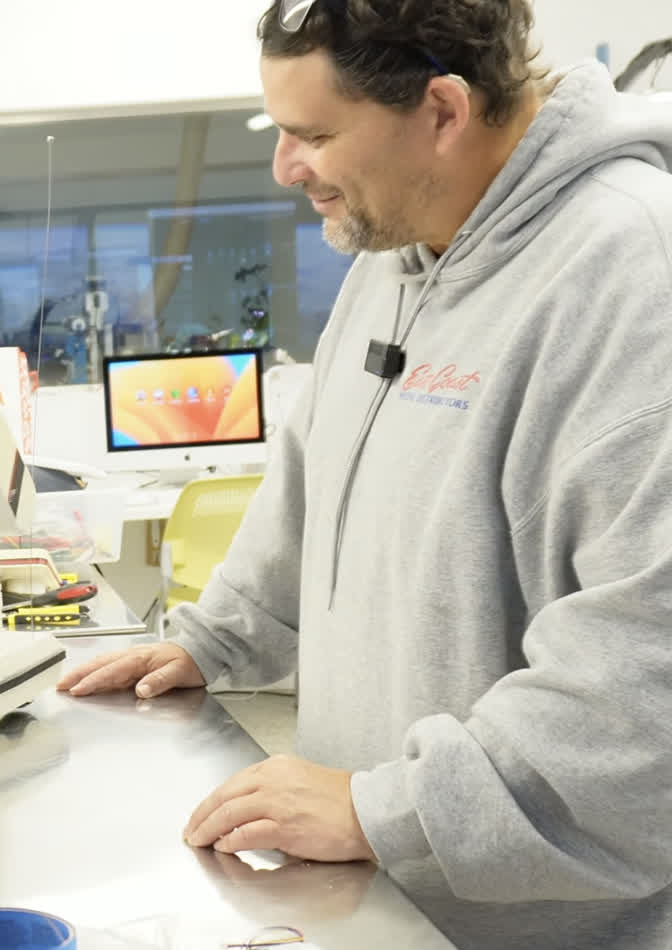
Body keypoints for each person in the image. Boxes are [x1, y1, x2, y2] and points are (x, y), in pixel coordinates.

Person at [57, 1, 672, 947]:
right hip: (377, 897)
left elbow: (646, 677)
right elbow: (314, 480)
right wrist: (216, 639)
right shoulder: (395, 254)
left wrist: (389, 809)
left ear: (442, 110)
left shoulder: (634, 273)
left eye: (314, 135)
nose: (284, 166)